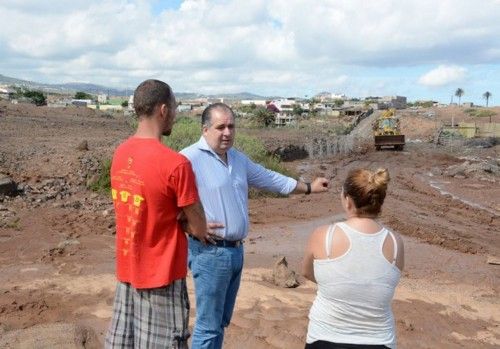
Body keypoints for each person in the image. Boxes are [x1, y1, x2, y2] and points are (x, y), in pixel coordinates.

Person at [180, 102, 329, 349]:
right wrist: (190, 226)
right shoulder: (188, 159)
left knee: (220, 322)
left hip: (236, 252)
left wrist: (309, 188)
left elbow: (271, 179)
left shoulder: (238, 159)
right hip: (210, 253)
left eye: (231, 126)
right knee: (207, 326)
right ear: (205, 129)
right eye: (221, 127)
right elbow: (167, 201)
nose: (227, 132)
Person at [105, 79, 214, 348]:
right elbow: (200, 228)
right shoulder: (176, 164)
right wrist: (185, 222)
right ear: (163, 110)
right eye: (175, 108)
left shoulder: (120, 154)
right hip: (162, 277)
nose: (175, 115)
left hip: (127, 273)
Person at [302, 168, 404, 349]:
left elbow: (307, 272)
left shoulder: (323, 236)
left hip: (325, 338)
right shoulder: (395, 243)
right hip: (379, 341)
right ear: (379, 202)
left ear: (348, 201)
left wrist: (336, 282)